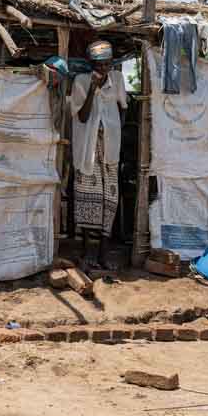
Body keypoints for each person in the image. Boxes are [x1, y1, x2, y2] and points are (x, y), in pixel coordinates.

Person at [70, 40, 127, 270]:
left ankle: (103, 253)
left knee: (109, 200)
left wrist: (116, 130)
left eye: (106, 64)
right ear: (91, 64)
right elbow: (82, 116)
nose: (103, 69)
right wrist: (93, 88)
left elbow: (124, 108)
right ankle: (86, 251)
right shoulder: (81, 81)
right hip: (87, 150)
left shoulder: (118, 81)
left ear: (111, 63)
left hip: (110, 149)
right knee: (86, 198)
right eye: (98, 64)